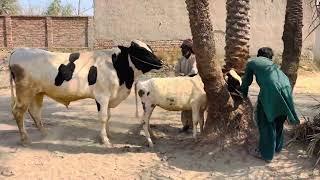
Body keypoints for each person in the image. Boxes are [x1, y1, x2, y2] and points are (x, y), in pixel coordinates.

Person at [240, 47, 300, 162]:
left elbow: (246, 81)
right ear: (270, 57)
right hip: (286, 87)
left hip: (271, 90)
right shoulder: (273, 65)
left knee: (266, 121)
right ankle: (277, 147)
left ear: (259, 55)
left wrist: (243, 94)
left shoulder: (253, 62)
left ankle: (266, 155)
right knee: (279, 118)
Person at [175, 39, 198, 132]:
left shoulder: (194, 58)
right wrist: (180, 75)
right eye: (182, 49)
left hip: (193, 86)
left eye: (183, 48)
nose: (182, 50)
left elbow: (194, 71)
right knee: (184, 106)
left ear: (189, 49)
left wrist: (185, 77)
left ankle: (192, 126)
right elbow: (176, 71)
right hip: (183, 85)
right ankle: (185, 125)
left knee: (192, 106)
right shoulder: (181, 59)